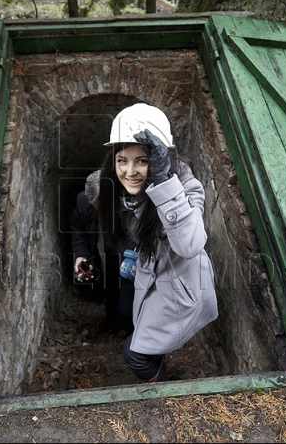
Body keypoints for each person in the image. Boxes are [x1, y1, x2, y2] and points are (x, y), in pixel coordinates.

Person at [94, 103, 218, 382]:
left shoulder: (185, 187)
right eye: (122, 160)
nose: (130, 171)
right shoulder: (118, 191)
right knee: (128, 316)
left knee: (134, 355)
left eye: (142, 161)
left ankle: (161, 388)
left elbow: (190, 246)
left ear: (161, 159)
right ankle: (156, 361)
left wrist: (164, 184)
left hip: (180, 285)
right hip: (150, 274)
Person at [71, 172, 133, 334]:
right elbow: (78, 229)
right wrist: (81, 255)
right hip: (103, 251)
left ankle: (132, 327)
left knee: (128, 287)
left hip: (128, 252)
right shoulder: (84, 203)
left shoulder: (133, 203)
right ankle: (113, 323)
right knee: (109, 283)